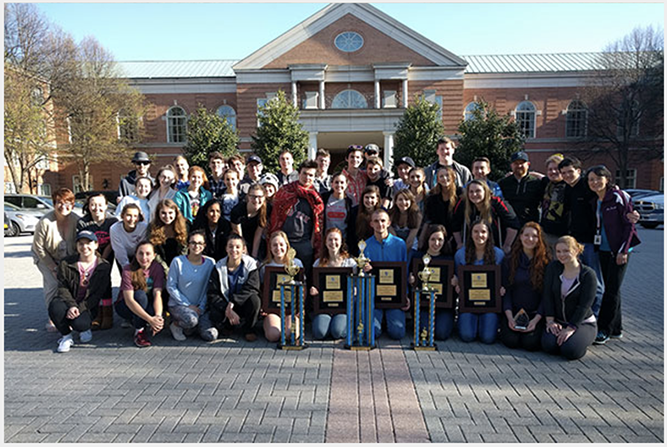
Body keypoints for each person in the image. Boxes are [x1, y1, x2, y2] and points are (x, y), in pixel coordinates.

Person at [587, 165, 640, 345]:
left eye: (598, 178)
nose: (594, 182)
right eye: (591, 179)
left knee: (611, 290)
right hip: (602, 249)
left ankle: (604, 330)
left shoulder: (619, 197)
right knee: (612, 288)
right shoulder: (595, 200)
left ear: (607, 179)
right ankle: (617, 328)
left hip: (618, 251)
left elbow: (629, 225)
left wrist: (623, 250)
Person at [48, 231, 112, 353]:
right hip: (68, 301)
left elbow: (97, 294)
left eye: (88, 243)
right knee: (54, 307)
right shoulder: (66, 263)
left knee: (80, 324)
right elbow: (62, 287)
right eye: (81, 244)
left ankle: (84, 329)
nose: (84, 247)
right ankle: (66, 336)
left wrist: (80, 308)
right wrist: (72, 306)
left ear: (96, 245)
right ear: (76, 246)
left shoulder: (104, 266)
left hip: (87, 305)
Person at [541, 236, 597, 360]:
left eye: (566, 251)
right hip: (559, 321)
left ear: (576, 250)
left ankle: (583, 338)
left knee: (570, 350)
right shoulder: (553, 268)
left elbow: (584, 306)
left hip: (582, 322)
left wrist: (571, 328)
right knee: (549, 346)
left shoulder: (588, 275)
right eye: (559, 251)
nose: (562, 255)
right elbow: (548, 295)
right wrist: (550, 321)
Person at [32, 188, 80, 332]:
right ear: (54, 204)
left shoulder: (76, 220)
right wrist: (53, 267)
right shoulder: (45, 221)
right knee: (53, 285)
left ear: (72, 204)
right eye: (59, 202)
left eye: (67, 202)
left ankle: (70, 314)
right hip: (45, 256)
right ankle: (53, 317)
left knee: (70, 284)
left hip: (68, 258)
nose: (63, 206)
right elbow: (38, 247)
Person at [499, 222, 550, 351]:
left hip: (535, 314)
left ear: (539, 239)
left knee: (530, 344)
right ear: (520, 237)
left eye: (534, 236)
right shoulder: (509, 260)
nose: (530, 239)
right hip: (513, 312)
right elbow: (506, 291)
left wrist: (536, 320)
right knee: (511, 341)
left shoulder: (546, 262)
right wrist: (510, 317)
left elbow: (546, 295)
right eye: (526, 235)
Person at [453, 219, 505, 344]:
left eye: (483, 232)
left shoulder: (499, 254)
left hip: (489, 305)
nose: (479, 235)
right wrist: (457, 283)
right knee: (467, 336)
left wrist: (502, 287)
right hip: (468, 304)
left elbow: (502, 279)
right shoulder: (461, 254)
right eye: (475, 231)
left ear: (489, 234)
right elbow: (457, 276)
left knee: (488, 338)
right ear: (470, 234)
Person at [269, 160, 324, 275]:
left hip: (304, 243)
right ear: (299, 174)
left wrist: (311, 243)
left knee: (305, 277)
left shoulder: (315, 198)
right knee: (283, 276)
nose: (307, 177)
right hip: (285, 242)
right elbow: (276, 216)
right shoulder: (285, 191)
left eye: (311, 175)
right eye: (304, 173)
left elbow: (317, 223)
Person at [206, 234, 261, 342]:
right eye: (230, 246)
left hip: (241, 303)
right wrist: (227, 308)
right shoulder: (218, 267)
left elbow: (252, 288)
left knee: (255, 300)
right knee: (215, 311)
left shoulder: (251, 265)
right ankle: (227, 326)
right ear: (226, 248)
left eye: (237, 247)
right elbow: (213, 293)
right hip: (225, 305)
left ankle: (249, 329)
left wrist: (233, 302)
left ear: (243, 249)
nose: (234, 250)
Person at [363, 209, 408, 340]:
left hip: (394, 296)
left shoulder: (399, 244)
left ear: (389, 223)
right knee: (372, 333)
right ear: (371, 224)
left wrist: (405, 295)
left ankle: (388, 319)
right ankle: (378, 320)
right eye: (376, 221)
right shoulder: (365, 245)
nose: (379, 224)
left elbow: (403, 272)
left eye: (383, 221)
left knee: (397, 333)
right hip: (374, 297)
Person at [76, 193, 118, 330]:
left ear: (106, 205)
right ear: (88, 206)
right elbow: (82, 242)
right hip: (90, 256)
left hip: (109, 255)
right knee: (94, 283)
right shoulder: (83, 222)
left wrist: (103, 258)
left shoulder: (112, 221)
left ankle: (107, 315)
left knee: (105, 281)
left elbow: (113, 241)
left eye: (100, 204)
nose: (96, 208)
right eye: (93, 204)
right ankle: (96, 314)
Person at [113, 241, 165, 348]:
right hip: (125, 306)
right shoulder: (128, 269)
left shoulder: (157, 268)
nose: (144, 257)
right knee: (140, 295)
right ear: (135, 254)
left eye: (148, 254)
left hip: (146, 302)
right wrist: (150, 320)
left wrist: (157, 318)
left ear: (154, 255)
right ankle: (139, 331)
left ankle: (142, 321)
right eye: (140, 253)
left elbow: (157, 294)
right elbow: (129, 300)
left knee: (152, 309)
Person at [166, 230, 216, 341]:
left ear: (204, 246)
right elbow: (171, 286)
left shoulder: (210, 263)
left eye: (199, 243)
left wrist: (201, 307)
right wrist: (187, 305)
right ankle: (176, 325)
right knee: (191, 320)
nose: (196, 246)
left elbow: (208, 288)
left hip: (199, 307)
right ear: (188, 245)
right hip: (179, 305)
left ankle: (192, 329)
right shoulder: (178, 261)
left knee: (211, 335)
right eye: (193, 243)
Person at [409, 224, 455, 341]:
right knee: (425, 333)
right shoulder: (417, 258)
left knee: (441, 334)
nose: (436, 243)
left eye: (440, 240)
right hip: (422, 305)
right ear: (427, 239)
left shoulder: (449, 260)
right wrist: (411, 280)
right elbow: (411, 281)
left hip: (444, 306)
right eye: (433, 239)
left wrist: (455, 282)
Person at [309, 228, 356, 340]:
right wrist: (313, 290)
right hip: (324, 307)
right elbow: (315, 284)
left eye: (336, 239)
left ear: (341, 242)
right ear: (325, 242)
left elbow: (356, 283)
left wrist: (355, 289)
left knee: (337, 332)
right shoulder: (318, 263)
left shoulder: (350, 263)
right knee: (319, 333)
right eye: (330, 239)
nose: (333, 243)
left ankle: (345, 324)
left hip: (343, 308)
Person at [452, 179, 519, 254]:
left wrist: (507, 245)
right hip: (470, 247)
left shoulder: (497, 203)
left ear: (485, 191)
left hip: (494, 247)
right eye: (471, 192)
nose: (474, 194)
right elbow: (455, 225)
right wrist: (459, 243)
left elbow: (513, 224)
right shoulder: (463, 203)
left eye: (478, 191)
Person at [261, 231, 304, 342]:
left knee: (291, 334)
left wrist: (300, 306)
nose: (278, 248)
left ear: (287, 246)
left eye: (281, 244)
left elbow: (303, 287)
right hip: (272, 310)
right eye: (274, 245)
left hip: (291, 309)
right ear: (270, 247)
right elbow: (262, 289)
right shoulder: (266, 266)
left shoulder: (296, 264)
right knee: (273, 335)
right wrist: (264, 307)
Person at [498, 151, 545, 226]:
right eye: (516, 163)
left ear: (528, 164)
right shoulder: (503, 183)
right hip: (509, 225)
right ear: (511, 165)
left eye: (522, 163)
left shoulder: (536, 183)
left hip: (530, 224)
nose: (519, 166)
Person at [422, 166, 459, 252]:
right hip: (437, 236)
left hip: (455, 236)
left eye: (447, 175)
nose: (444, 178)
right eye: (441, 176)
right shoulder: (432, 197)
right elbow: (429, 219)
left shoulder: (460, 194)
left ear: (453, 177)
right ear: (437, 179)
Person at [148, 199, 189, 274]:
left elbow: (185, 250)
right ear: (158, 214)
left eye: (170, 213)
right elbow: (154, 252)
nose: (167, 216)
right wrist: (166, 269)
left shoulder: (185, 226)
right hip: (160, 266)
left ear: (176, 213)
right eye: (163, 213)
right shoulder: (152, 228)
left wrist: (177, 267)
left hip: (181, 265)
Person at [230, 183, 269, 259]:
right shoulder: (237, 211)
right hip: (241, 239)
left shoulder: (266, 210)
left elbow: (258, 233)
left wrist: (254, 256)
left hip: (256, 241)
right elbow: (238, 234)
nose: (256, 200)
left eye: (259, 197)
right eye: (253, 197)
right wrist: (246, 255)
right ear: (248, 196)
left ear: (264, 197)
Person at [540, 154, 568, 250]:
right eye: (550, 169)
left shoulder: (569, 186)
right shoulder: (547, 184)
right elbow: (540, 177)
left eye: (556, 169)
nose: (553, 172)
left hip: (563, 234)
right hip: (546, 232)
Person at [109, 203, 149, 269]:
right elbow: (119, 251)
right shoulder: (114, 229)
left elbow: (143, 247)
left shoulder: (143, 227)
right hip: (123, 255)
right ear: (122, 216)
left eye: (135, 216)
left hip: (139, 255)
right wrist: (126, 268)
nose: (132, 219)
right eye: (128, 215)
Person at [347, 185, 381, 256]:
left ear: (377, 199)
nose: (369, 200)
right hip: (358, 248)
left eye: (372, 198)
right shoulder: (354, 212)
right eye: (367, 197)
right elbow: (351, 234)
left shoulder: (382, 212)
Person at [388, 189, 422, 253]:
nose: (403, 202)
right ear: (395, 201)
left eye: (406, 199)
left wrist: (403, 253)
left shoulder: (417, 216)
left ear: (411, 201)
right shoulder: (390, 214)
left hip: (410, 244)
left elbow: (411, 239)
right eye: (400, 199)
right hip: (394, 243)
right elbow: (393, 236)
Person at [321, 173, 353, 238]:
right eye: (336, 182)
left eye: (342, 182)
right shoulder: (325, 198)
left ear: (346, 184)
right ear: (332, 184)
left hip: (343, 238)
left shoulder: (349, 201)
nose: (339, 185)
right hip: (327, 238)